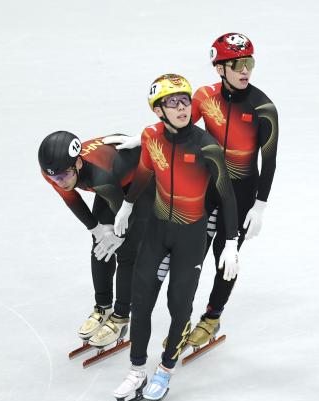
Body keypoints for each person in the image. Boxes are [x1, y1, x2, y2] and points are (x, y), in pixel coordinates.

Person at [107, 33, 280, 348]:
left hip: (239, 195)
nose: (246, 71)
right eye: (238, 64)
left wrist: (260, 206)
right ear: (219, 68)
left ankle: (212, 316)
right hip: (204, 189)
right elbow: (176, 125)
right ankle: (180, 320)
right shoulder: (202, 97)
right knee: (190, 256)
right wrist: (141, 138)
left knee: (225, 257)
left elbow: (269, 161)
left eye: (250, 64)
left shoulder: (263, 108)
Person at [112, 74, 239, 401]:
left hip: (191, 236)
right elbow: (144, 171)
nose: (182, 108)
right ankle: (137, 369)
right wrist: (126, 205)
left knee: (178, 304)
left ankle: (166, 369)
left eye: (185, 101)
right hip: (157, 231)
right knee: (141, 302)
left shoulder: (206, 146)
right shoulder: (151, 136)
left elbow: (227, 195)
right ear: (158, 110)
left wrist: (231, 242)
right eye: (173, 103)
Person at [38, 131, 152, 347]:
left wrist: (119, 236)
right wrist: (97, 229)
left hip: (141, 181)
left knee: (127, 252)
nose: (60, 183)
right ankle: (103, 307)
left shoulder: (101, 179)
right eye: (54, 178)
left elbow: (126, 214)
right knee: (101, 246)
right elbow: (72, 200)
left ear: (78, 164)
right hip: (112, 178)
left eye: (64, 176)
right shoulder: (52, 171)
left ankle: (120, 317)